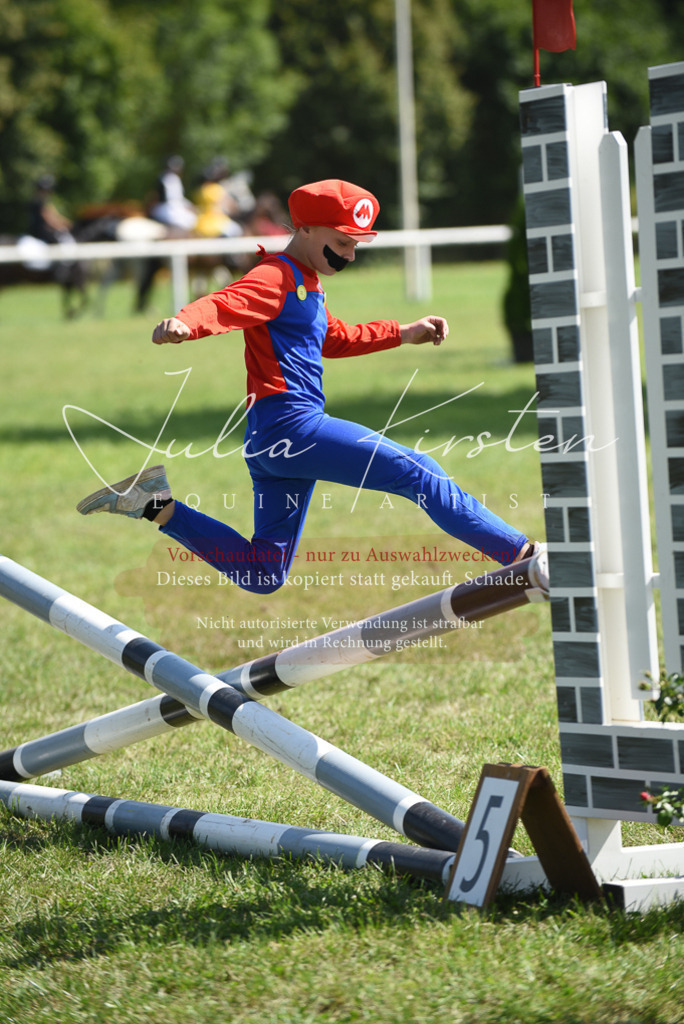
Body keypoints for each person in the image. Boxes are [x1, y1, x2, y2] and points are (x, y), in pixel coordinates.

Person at [77, 179, 540, 595]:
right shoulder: (276, 277)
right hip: (293, 428)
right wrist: (184, 323)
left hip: (271, 442)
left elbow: (334, 338)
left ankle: (153, 503)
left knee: (263, 573)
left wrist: (404, 331)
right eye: (342, 242)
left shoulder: (307, 283)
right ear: (306, 230)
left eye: (357, 245)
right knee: (418, 471)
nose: (350, 255)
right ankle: (522, 556)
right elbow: (225, 301)